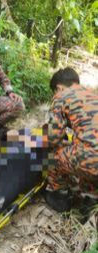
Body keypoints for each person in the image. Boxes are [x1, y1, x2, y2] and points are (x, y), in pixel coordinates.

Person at [38, 67, 98, 211]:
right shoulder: (93, 95)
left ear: (58, 88)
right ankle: (90, 199)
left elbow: (52, 137)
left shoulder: (62, 96)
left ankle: (58, 194)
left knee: (51, 154)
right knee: (82, 150)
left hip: (91, 160)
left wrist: (33, 136)